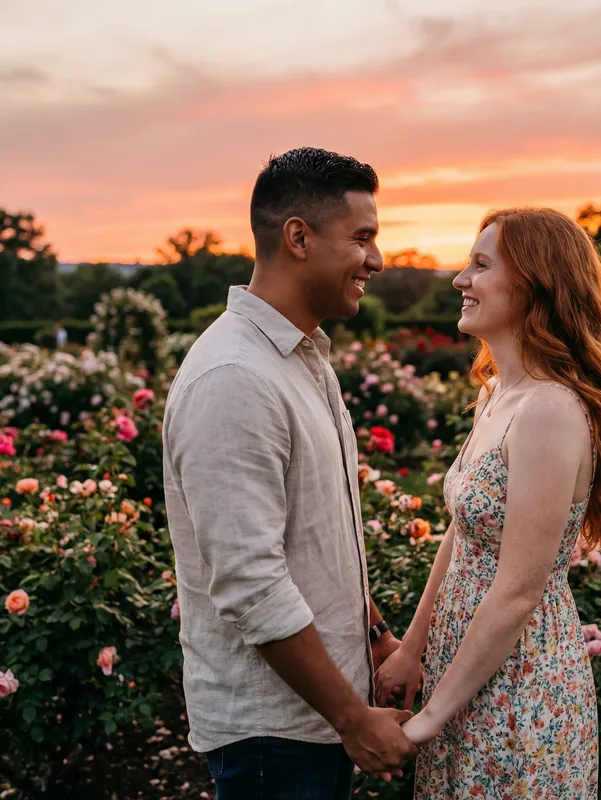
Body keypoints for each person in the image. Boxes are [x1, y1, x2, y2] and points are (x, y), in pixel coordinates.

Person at [162, 147, 417, 799]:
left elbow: (316, 543)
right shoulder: (234, 378)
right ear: (299, 237)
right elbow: (250, 579)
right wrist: (352, 716)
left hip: (311, 723)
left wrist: (378, 638)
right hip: (274, 737)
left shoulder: (301, 361)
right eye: (363, 237)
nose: (377, 260)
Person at [375, 207, 601, 798]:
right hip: (460, 672)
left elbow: (518, 591)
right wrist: (413, 649)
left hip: (519, 687)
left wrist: (429, 720)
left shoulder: (549, 410)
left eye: (481, 265)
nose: (461, 280)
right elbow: (461, 532)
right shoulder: (499, 394)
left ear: (535, 284)